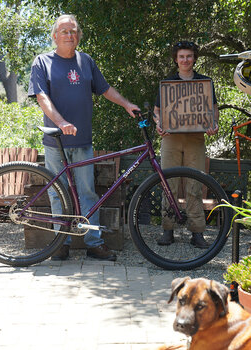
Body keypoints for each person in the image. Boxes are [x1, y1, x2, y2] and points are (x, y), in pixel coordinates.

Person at [28, 14, 139, 261]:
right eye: (64, 31)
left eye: (73, 31)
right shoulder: (42, 62)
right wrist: (61, 122)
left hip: (83, 142)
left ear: (78, 35)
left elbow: (105, 88)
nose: (69, 35)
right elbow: (41, 97)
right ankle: (60, 243)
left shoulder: (85, 61)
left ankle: (93, 243)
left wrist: (126, 103)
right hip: (56, 141)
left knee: (88, 193)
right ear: (55, 36)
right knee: (59, 193)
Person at [153, 41, 219, 249]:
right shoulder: (168, 82)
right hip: (171, 139)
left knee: (195, 185)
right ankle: (167, 230)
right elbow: (157, 110)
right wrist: (159, 124)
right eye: (181, 56)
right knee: (169, 184)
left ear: (194, 58)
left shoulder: (204, 82)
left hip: (196, 139)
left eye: (189, 56)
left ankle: (197, 232)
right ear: (176, 59)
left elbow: (213, 108)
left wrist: (213, 124)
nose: (185, 60)